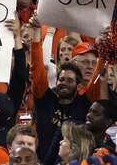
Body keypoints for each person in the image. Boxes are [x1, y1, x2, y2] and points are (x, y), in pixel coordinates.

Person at [29, 12, 107, 161]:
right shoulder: (45, 97)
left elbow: (97, 80)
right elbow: (36, 69)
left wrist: (102, 51)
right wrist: (37, 33)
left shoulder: (85, 103)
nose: (64, 83)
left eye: (70, 81)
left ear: (78, 86)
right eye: (61, 79)